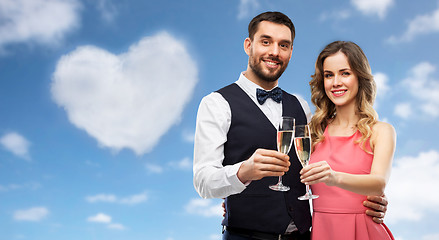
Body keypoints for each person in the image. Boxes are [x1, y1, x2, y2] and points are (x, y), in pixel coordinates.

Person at [194, 12, 388, 240]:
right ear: (248, 45)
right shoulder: (216, 103)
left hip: (304, 236)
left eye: (283, 45)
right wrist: (242, 172)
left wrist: (369, 200)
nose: (274, 52)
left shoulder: (302, 107)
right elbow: (203, 181)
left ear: (291, 52)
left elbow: (332, 165)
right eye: (266, 41)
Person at [300, 41, 396, 239]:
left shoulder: (381, 131)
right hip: (321, 231)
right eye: (329, 75)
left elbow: (379, 183)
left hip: (365, 231)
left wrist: (333, 177)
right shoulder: (313, 132)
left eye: (345, 73)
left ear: (360, 77)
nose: (336, 82)